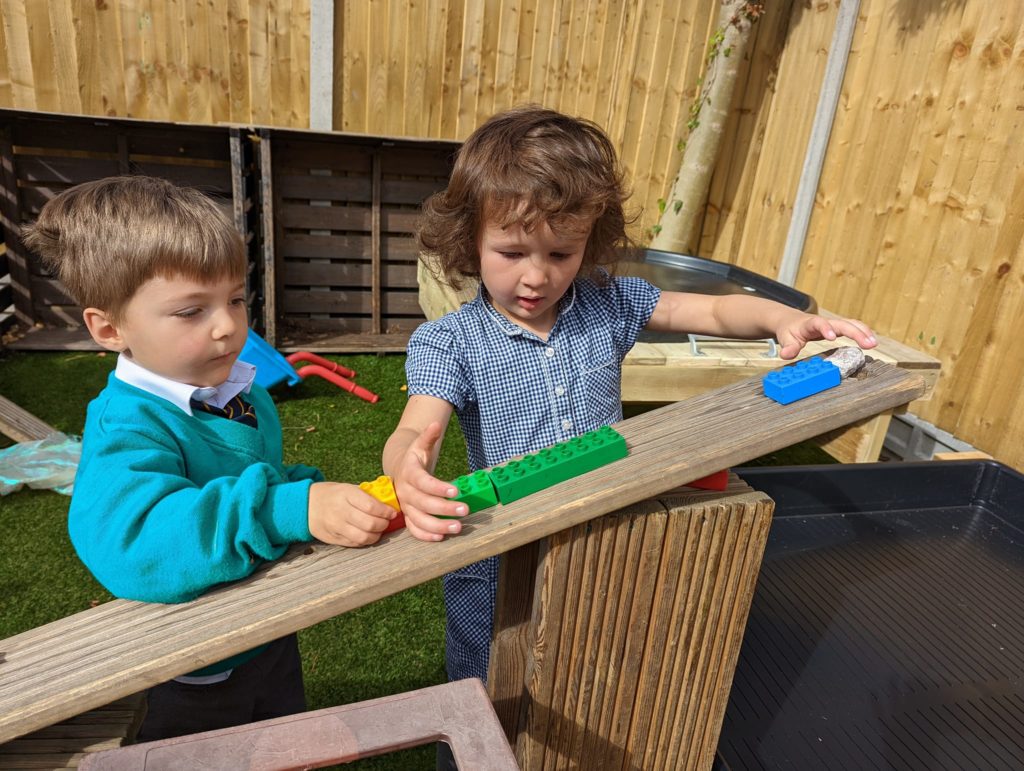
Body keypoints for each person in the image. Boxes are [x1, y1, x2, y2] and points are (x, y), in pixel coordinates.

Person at [382, 105, 878, 692]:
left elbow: (712, 309)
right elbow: (418, 426)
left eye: (560, 254)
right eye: (512, 253)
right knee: (490, 676)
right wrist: (407, 468)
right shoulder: (451, 341)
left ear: (589, 244)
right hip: (503, 549)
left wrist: (783, 317)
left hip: (607, 528)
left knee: (593, 662)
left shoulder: (606, 304)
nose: (536, 277)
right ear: (471, 239)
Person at [21, 175, 397, 742]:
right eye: (191, 311)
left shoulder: (239, 392)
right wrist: (285, 510)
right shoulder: (129, 423)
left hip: (265, 630)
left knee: (282, 743)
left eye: (236, 299)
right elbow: (135, 543)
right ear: (109, 328)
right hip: (192, 665)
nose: (228, 327)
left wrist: (316, 495)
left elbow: (256, 481)